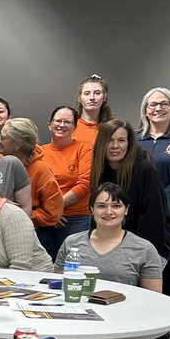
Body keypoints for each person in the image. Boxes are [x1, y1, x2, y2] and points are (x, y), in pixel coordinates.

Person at [56, 184, 162, 291]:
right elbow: (58, 286)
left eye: (116, 206)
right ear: (91, 209)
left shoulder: (144, 249)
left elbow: (154, 298)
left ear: (126, 209)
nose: (109, 212)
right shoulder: (71, 242)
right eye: (101, 206)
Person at [91, 118, 170, 257]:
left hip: (142, 250)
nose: (115, 145)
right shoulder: (100, 171)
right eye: (109, 140)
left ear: (129, 143)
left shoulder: (145, 169)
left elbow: (153, 221)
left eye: (121, 140)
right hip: (111, 247)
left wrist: (142, 257)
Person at [37, 105, 94, 257]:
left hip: (75, 219)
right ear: (50, 125)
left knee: (71, 265)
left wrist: (55, 208)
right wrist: (50, 213)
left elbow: (85, 184)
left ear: (75, 127)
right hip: (44, 218)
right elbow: (33, 187)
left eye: (67, 122)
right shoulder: (39, 152)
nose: (62, 125)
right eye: (58, 121)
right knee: (45, 264)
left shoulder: (83, 149)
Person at [0, 118, 63, 233]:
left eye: (3, 138)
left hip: (28, 231)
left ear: (17, 145)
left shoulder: (40, 169)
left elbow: (52, 212)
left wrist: (23, 216)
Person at [136, 87, 170, 209]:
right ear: (145, 110)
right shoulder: (133, 139)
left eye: (164, 104)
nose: (158, 108)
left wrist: (161, 199)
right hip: (138, 207)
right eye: (153, 104)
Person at [74, 73, 112, 147]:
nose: (92, 97)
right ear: (79, 98)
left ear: (104, 97)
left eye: (97, 93)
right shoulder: (69, 126)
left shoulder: (112, 127)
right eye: (87, 93)